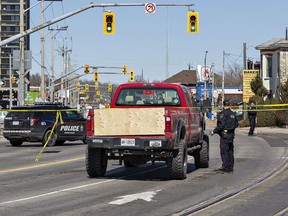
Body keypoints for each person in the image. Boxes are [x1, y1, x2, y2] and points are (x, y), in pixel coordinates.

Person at [210, 99, 239, 173]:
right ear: (229, 104)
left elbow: (221, 125)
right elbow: (236, 124)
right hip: (231, 134)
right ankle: (230, 167)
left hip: (225, 135)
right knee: (230, 151)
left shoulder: (223, 114)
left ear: (223, 105)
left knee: (224, 151)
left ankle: (225, 167)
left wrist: (214, 131)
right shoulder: (233, 113)